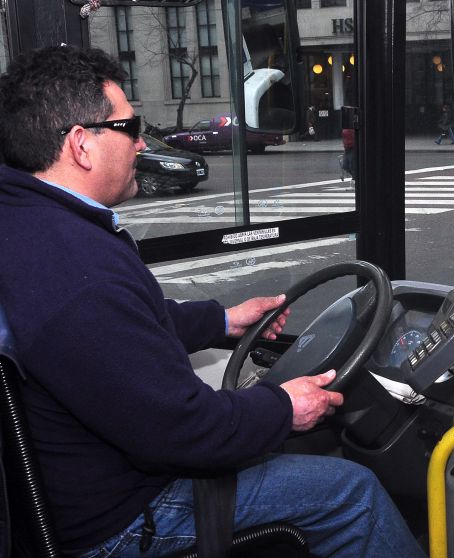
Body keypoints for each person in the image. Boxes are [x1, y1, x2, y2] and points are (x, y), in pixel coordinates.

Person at [0, 46, 423, 557]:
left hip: (82, 488)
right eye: (129, 128)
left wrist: (222, 320)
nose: (139, 144)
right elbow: (183, 430)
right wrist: (283, 407)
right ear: (81, 145)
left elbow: (121, 332)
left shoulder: (27, 222)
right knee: (352, 492)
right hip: (122, 519)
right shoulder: (77, 268)